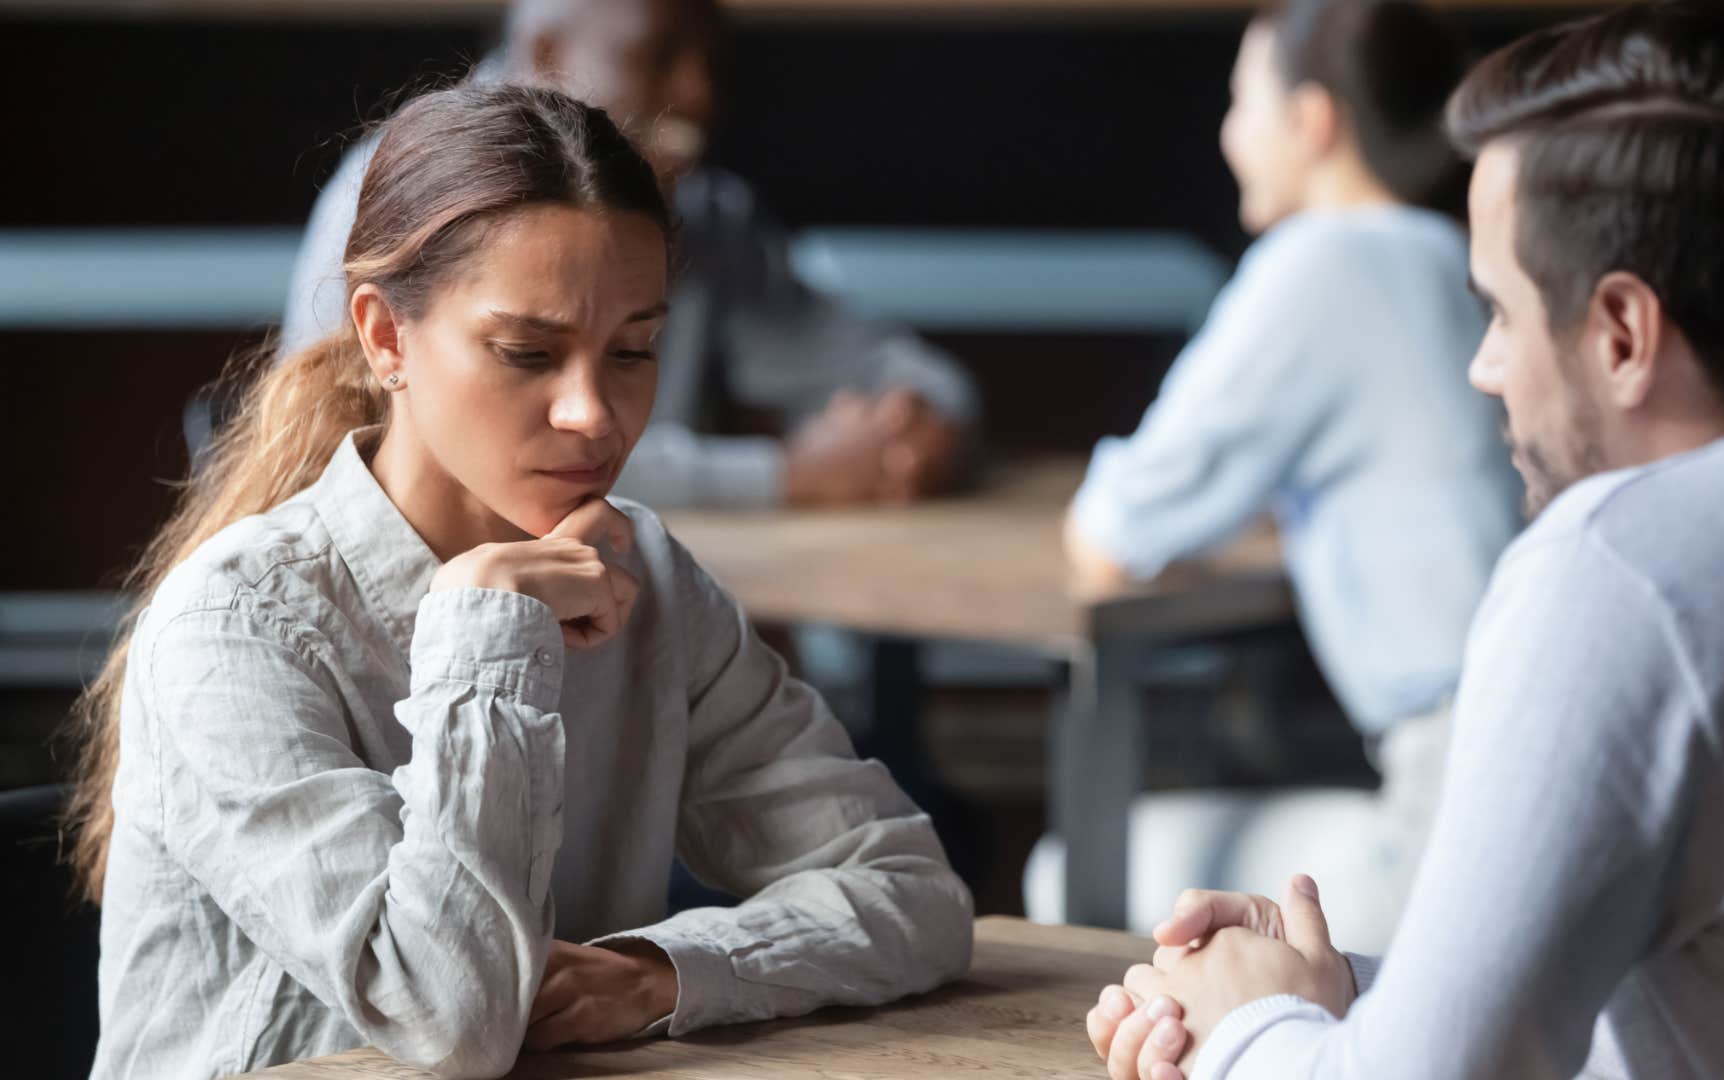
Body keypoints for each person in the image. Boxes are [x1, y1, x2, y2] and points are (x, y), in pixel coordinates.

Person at [73, 83, 972, 1080]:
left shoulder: (649, 580)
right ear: (385, 336)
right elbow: (449, 1020)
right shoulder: (234, 626)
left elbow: (908, 887)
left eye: (633, 350)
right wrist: (483, 637)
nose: (594, 412)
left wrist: (663, 973)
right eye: (528, 353)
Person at [1085, 2, 1724, 1078]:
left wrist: (1241, 1033)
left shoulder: (1629, 559)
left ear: (1622, 332)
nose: (1484, 369)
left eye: (1505, 315)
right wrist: (1331, 997)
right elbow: (1668, 1006)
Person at [1032, 0, 1521, 951]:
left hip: (1451, 815)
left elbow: (1111, 535)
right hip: (1521, 760)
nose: (1227, 135)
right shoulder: (1450, 256)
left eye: (1239, 103)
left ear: (1311, 122)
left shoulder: (1323, 262)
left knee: (1068, 867)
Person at [282, 0, 978, 510]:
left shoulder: (703, 214)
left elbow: (890, 372)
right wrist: (783, 476)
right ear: (548, 52)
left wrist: (911, 429)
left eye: (632, 348)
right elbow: (394, 461)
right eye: (527, 351)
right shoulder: (399, 196)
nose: (701, 94)